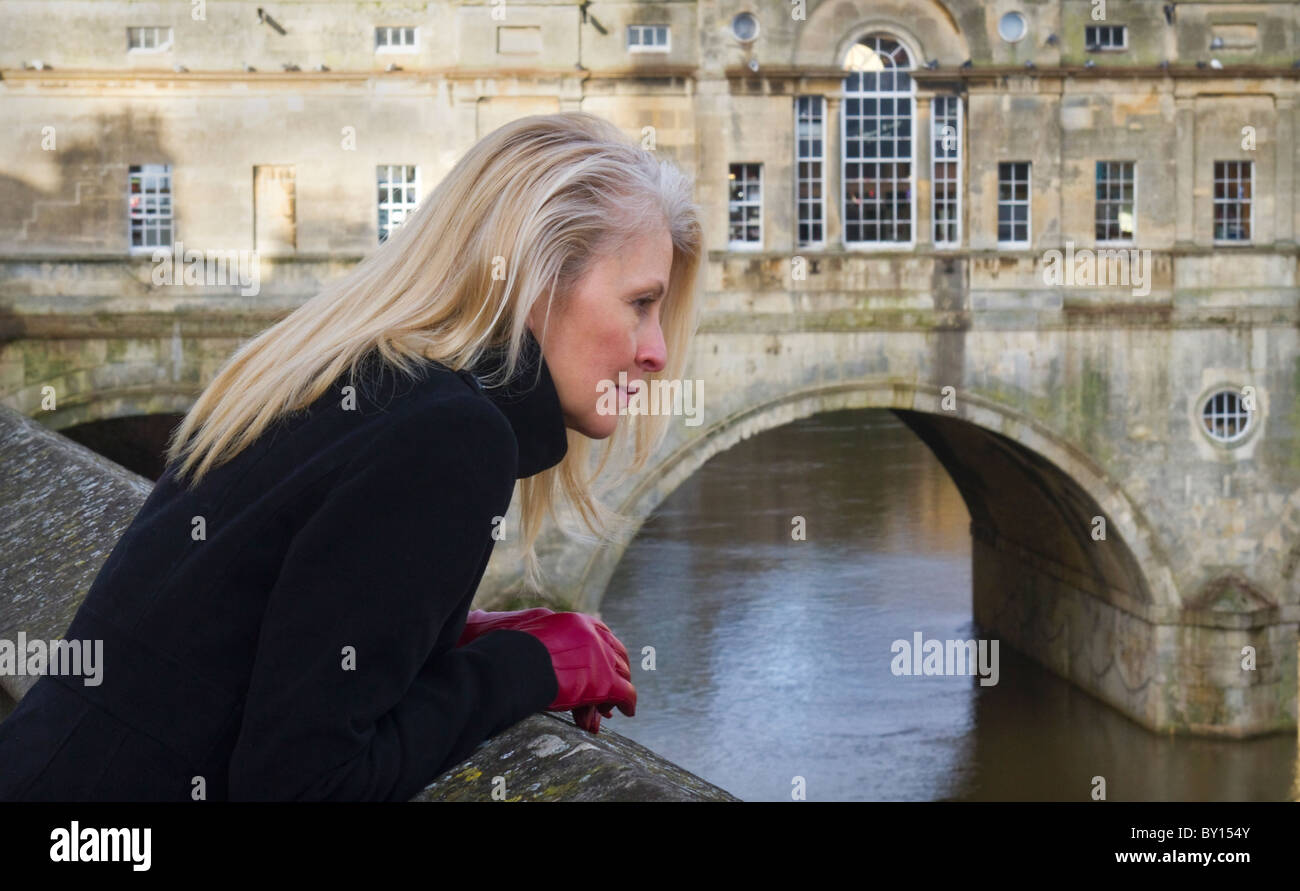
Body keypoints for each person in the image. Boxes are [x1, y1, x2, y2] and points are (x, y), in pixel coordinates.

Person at [0, 111, 703, 801]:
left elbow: (270, 616)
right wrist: (528, 666)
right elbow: (301, 778)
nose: (656, 352)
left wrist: (444, 634)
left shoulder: (353, 373)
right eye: (640, 302)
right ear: (535, 278)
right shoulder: (454, 436)